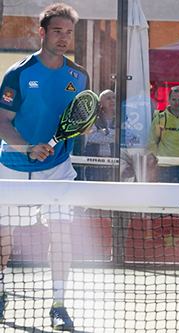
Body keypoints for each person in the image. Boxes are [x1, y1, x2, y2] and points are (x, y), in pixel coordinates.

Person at [0, 4, 88, 330]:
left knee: (62, 232)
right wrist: (26, 146)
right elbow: (2, 121)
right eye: (57, 31)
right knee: (3, 232)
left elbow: (80, 118)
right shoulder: (18, 73)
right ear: (42, 32)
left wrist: (83, 127)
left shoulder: (79, 76)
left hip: (58, 166)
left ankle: (59, 303)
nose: (64, 38)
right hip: (13, 162)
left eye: (68, 32)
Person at [83, 89, 116, 181]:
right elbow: (92, 136)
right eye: (108, 98)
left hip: (114, 164)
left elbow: (125, 137)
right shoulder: (93, 117)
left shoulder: (120, 118)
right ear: (100, 103)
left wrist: (103, 133)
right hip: (94, 164)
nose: (112, 100)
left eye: (114, 98)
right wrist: (114, 136)